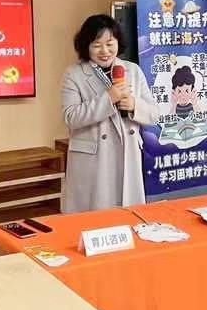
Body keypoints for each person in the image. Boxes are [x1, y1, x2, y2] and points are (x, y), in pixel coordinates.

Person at [61, 14, 160, 213]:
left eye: (109, 43)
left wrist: (134, 105)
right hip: (94, 160)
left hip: (128, 154)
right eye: (97, 45)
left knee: (127, 216)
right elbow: (71, 117)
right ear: (86, 46)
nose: (105, 51)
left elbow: (154, 114)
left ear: (118, 42)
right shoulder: (74, 74)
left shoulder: (132, 70)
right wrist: (108, 99)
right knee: (94, 219)